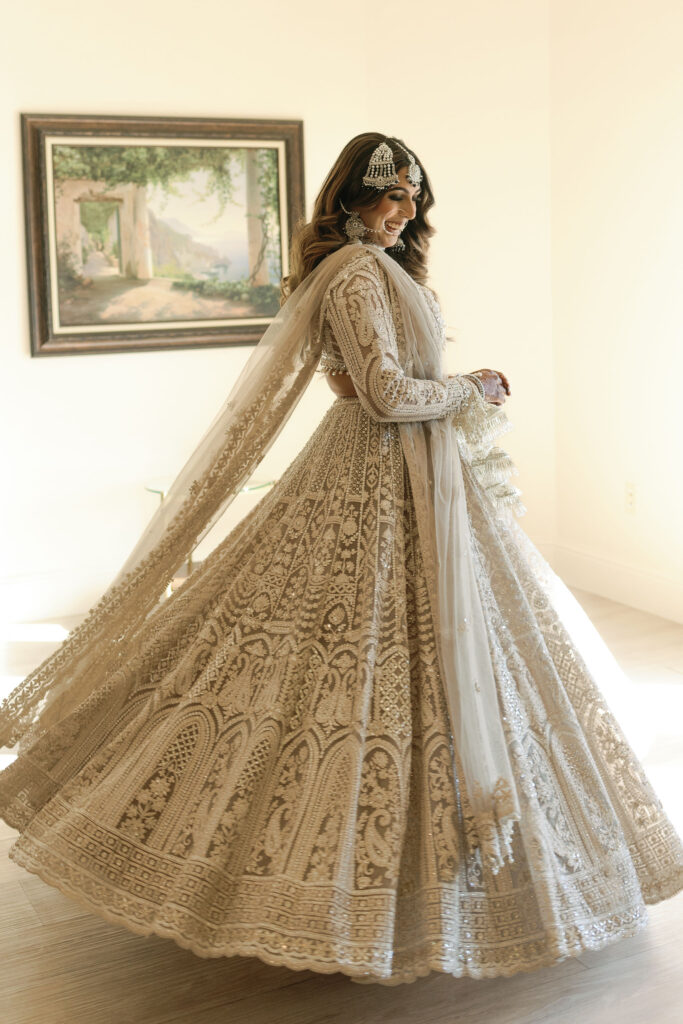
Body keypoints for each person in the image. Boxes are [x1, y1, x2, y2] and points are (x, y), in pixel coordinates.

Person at [0, 133, 681, 988]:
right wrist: (473, 387)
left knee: (413, 662)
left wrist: (442, 393)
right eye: (388, 196)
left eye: (412, 199)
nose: (402, 212)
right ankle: (330, 894)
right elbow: (387, 394)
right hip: (372, 473)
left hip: (409, 474)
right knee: (350, 665)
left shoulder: (366, 268)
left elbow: (363, 383)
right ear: (348, 198)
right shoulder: (356, 273)